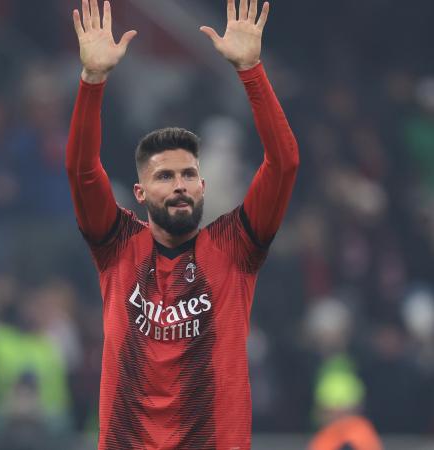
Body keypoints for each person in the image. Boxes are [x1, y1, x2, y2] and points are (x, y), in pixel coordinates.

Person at [66, 0, 298, 448]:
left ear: (203, 186)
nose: (179, 186)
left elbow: (283, 165)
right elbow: (82, 171)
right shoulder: (117, 246)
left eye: (189, 175)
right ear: (140, 194)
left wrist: (251, 70)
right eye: (165, 176)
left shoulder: (234, 248)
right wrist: (92, 81)